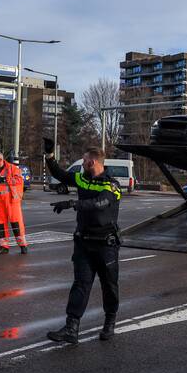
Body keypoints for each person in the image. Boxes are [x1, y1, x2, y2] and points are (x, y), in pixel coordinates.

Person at [45, 140, 122, 344]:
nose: (82, 164)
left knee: (109, 286)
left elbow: (100, 203)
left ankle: (109, 323)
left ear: (93, 162)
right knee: (80, 285)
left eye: (85, 160)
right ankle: (71, 328)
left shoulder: (111, 184)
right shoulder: (82, 178)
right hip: (84, 243)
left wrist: (73, 203)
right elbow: (60, 174)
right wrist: (49, 155)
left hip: (105, 245)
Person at [0, 151, 27, 255]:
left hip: (11, 199)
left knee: (16, 222)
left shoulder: (12, 168)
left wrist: (5, 179)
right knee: (0, 224)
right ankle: (3, 246)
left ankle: (23, 245)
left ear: (1, 160)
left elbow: (20, 181)